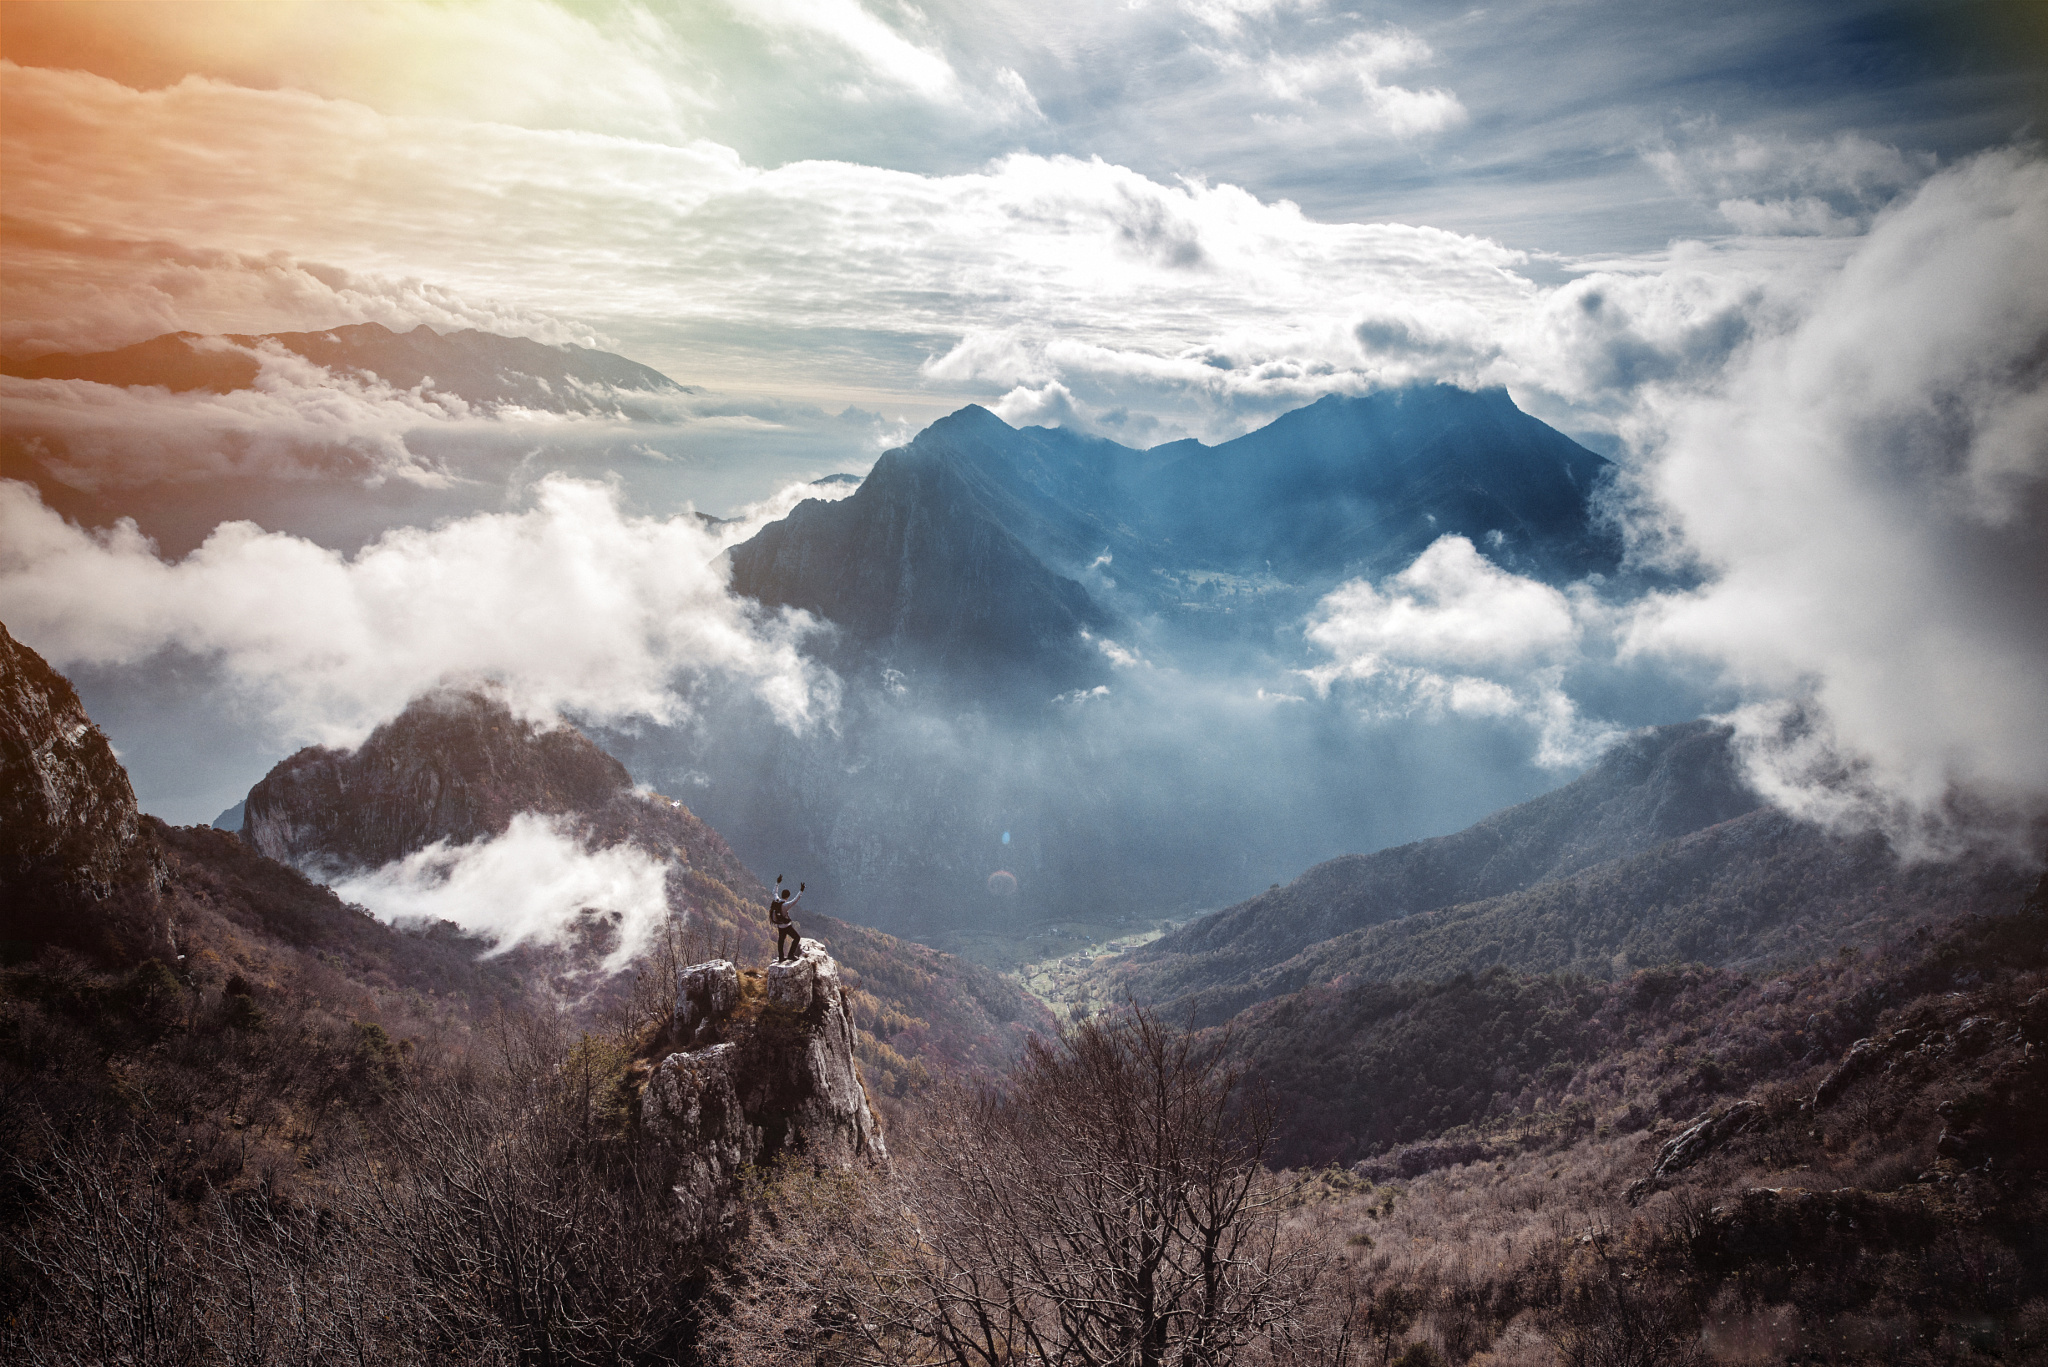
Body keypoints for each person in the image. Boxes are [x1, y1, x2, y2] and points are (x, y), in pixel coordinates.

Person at [769, 875, 804, 962]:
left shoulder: (777, 900)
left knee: (781, 941)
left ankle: (781, 957)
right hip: (787, 926)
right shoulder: (786, 905)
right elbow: (795, 900)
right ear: (787, 896)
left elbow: (774, 893)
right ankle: (790, 955)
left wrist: (777, 883)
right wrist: (801, 891)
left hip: (780, 926)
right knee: (797, 938)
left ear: (782, 895)